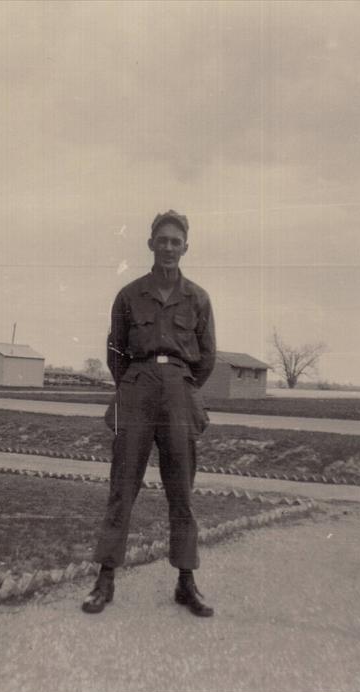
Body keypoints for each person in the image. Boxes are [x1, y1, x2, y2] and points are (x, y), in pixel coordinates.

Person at [82, 209, 216, 617]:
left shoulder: (198, 298)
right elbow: (116, 352)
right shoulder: (128, 295)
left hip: (178, 390)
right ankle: (104, 580)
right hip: (136, 390)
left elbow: (207, 357)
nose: (170, 247)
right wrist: (132, 385)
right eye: (163, 240)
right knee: (122, 487)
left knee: (182, 491)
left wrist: (180, 383)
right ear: (151, 244)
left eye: (177, 241)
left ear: (186, 247)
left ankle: (186, 581)